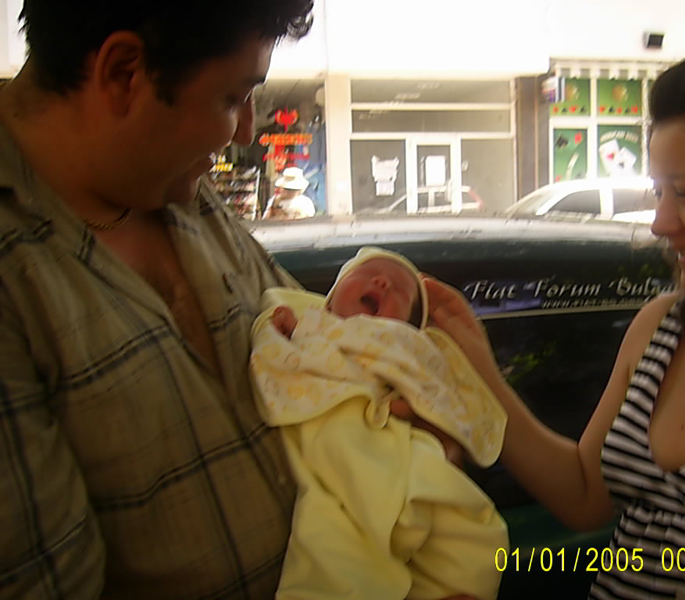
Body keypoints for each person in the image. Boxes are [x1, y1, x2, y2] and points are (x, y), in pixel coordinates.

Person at [0, 2, 473, 599]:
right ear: (124, 73)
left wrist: (416, 427)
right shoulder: (16, 278)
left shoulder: (178, 188)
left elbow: (330, 345)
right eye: (233, 98)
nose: (247, 130)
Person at [420, 26, 685, 600]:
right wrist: (476, 367)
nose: (660, 223)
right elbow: (584, 496)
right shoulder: (660, 328)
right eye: (658, 192)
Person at [249, 246, 508, 600]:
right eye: (368, 273)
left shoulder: (407, 345)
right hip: (338, 438)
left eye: (401, 291)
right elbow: (274, 345)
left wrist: (440, 431)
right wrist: (284, 329)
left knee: (476, 529)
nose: (383, 282)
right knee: (333, 537)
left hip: (398, 446)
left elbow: (434, 391)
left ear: (409, 327)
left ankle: (452, 587)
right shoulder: (308, 322)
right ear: (329, 300)